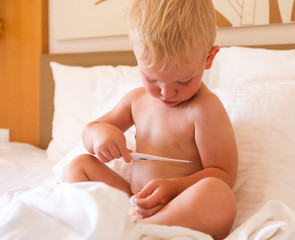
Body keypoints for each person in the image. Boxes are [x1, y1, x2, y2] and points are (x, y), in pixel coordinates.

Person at [63, 0, 238, 238]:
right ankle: (120, 228)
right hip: (131, 202)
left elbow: (223, 173)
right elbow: (92, 130)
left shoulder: (205, 109)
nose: (166, 93)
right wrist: (100, 135)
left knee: (219, 195)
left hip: (177, 207)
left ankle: (140, 232)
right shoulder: (136, 100)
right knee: (79, 165)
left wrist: (173, 188)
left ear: (209, 58)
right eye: (152, 79)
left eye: (183, 81)